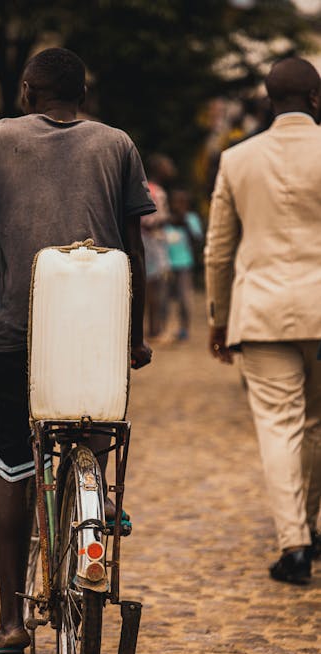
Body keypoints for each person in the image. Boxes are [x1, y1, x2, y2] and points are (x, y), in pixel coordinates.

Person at [0, 47, 154, 654]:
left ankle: (10, 623)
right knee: (96, 423)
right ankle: (100, 500)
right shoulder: (118, 145)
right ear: (82, 95)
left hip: (19, 335)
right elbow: (133, 252)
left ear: (28, 90)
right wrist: (134, 338)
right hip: (99, 334)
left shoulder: (0, 137)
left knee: (13, 464)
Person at [205, 56, 321, 584]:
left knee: (280, 430)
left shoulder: (237, 160)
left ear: (270, 102)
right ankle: (310, 530)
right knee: (316, 426)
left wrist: (219, 318)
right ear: (316, 99)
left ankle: (294, 544)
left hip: (263, 314)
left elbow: (219, 251)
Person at [141, 154, 175, 340]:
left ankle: (150, 328)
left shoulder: (143, 187)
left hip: (145, 242)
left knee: (149, 288)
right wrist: (167, 218)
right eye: (166, 165)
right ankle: (155, 330)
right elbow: (149, 221)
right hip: (153, 244)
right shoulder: (158, 192)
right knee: (155, 288)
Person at [164, 188, 203, 341]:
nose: (178, 205)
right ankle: (164, 328)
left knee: (184, 299)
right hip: (166, 265)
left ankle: (184, 329)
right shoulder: (166, 219)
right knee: (164, 300)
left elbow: (197, 240)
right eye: (175, 202)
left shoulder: (191, 219)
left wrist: (185, 224)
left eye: (182, 202)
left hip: (184, 264)